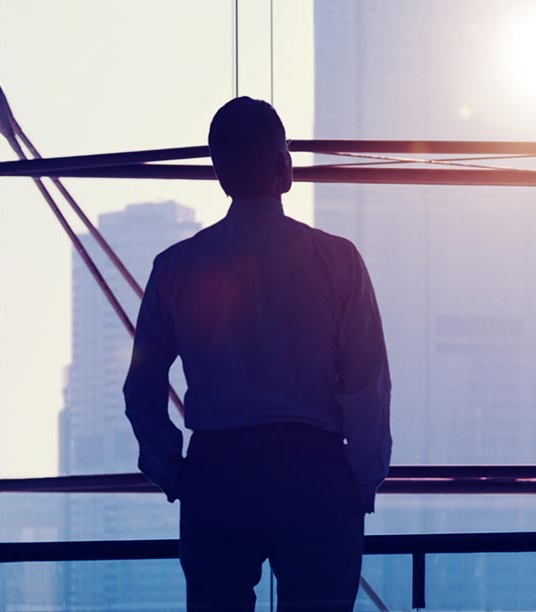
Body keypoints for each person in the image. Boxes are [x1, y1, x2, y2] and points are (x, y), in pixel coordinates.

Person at [123, 96, 392, 611]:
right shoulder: (338, 261)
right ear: (284, 167)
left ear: (219, 174)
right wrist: (360, 478)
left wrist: (172, 469)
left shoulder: (177, 266)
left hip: (217, 470)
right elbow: (367, 385)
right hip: (314, 470)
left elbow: (143, 386)